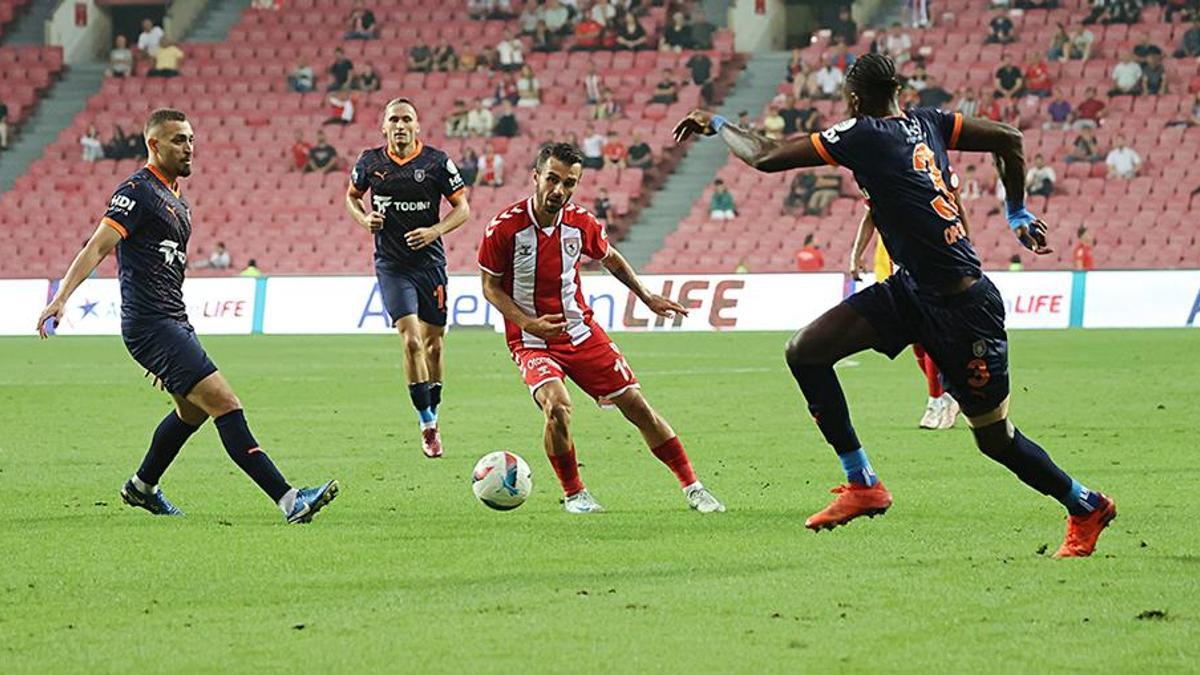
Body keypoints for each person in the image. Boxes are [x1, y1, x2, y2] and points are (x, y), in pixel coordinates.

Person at [672, 52, 1115, 557]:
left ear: (855, 98)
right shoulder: (930, 122)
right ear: (898, 90)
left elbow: (765, 156)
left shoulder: (862, 133)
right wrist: (1015, 213)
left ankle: (1086, 505)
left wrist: (718, 121)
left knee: (996, 440)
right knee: (806, 352)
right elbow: (1009, 138)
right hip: (911, 291)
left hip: (964, 308)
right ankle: (863, 483)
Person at [36, 108, 338, 523]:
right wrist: (61, 296)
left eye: (191, 138)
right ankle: (290, 500)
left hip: (172, 322)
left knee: (192, 412)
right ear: (154, 145)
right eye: (178, 140)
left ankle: (142, 486)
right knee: (225, 403)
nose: (189, 147)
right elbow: (97, 246)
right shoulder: (138, 191)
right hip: (151, 324)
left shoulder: (179, 201)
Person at [477, 142, 724, 515]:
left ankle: (694, 488)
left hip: (581, 332)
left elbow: (610, 257)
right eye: (552, 179)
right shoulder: (504, 229)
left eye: (569, 183)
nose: (559, 190)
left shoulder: (581, 224)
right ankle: (575, 495)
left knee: (639, 408)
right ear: (535, 177)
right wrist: (529, 323)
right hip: (530, 339)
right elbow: (489, 287)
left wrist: (646, 296)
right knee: (557, 407)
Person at [345, 99, 471, 458]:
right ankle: (427, 423)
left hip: (430, 265)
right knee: (411, 341)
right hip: (392, 265)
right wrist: (363, 219)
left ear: (417, 126)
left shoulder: (436, 162)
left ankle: (434, 409)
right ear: (383, 127)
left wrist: (434, 231)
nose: (400, 125)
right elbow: (352, 198)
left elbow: (463, 208)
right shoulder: (370, 162)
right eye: (393, 120)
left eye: (406, 119)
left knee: (434, 345)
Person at [848, 197, 964, 431]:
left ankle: (937, 400)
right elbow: (870, 215)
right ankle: (949, 394)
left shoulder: (924, 172)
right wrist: (856, 255)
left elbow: (954, 207)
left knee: (928, 335)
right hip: (890, 267)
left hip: (922, 261)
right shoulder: (875, 176)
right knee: (916, 341)